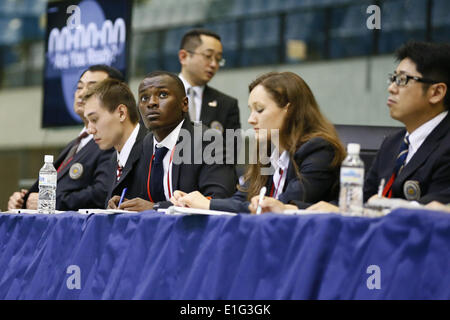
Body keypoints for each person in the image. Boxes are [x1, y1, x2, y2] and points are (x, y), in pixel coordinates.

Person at [171, 71, 346, 213]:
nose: (251, 120)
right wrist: (192, 201)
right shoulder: (268, 150)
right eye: (251, 110)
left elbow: (275, 206)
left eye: (260, 110)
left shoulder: (319, 150)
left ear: (289, 109)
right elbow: (241, 199)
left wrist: (207, 205)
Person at [308, 41, 450, 213]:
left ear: (436, 93)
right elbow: (360, 201)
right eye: (393, 79)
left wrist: (380, 207)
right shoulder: (392, 143)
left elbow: (434, 213)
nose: (391, 88)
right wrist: (293, 207)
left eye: (402, 80)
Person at [108, 71, 236, 211]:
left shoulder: (208, 141)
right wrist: (126, 202)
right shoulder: (146, 143)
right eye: (144, 98)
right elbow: (146, 198)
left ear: (184, 104)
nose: (151, 103)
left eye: (162, 95)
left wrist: (157, 208)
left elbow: (217, 200)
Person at [7, 64, 122, 211]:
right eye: (79, 87)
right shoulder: (77, 143)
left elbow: (102, 193)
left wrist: (50, 201)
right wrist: (23, 199)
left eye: (93, 87)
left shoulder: (110, 140)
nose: (82, 94)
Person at [82, 78, 148, 208]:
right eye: (87, 122)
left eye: (94, 119)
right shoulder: (114, 158)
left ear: (121, 113)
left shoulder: (154, 148)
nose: (90, 130)